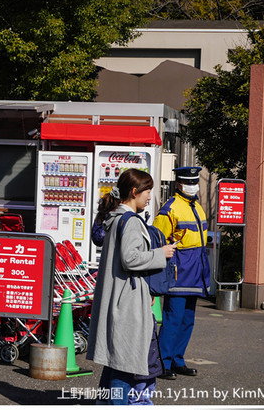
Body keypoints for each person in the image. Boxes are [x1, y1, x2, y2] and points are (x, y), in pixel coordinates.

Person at [86, 169, 176, 405]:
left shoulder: (115, 218)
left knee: (116, 361)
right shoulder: (132, 221)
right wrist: (161, 253)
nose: (149, 196)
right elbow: (131, 258)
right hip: (127, 302)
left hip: (115, 298)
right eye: (147, 191)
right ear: (134, 192)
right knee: (125, 365)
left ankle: (104, 404)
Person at [153, 166, 211, 380]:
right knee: (173, 318)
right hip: (178, 270)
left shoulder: (196, 205)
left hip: (196, 269)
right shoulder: (171, 208)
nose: (193, 185)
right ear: (178, 184)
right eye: (189, 182)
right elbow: (157, 240)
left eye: (195, 182)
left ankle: (178, 359)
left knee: (188, 318)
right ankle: (163, 362)